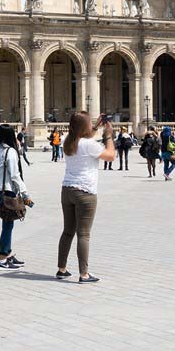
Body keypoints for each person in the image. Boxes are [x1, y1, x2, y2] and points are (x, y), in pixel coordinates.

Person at [58, 112, 115, 283]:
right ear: (84, 127)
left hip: (67, 190)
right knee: (83, 234)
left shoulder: (67, 140)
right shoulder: (90, 145)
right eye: (89, 123)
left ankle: (61, 269)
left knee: (68, 231)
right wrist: (109, 136)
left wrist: (96, 126)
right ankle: (84, 274)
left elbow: (82, 137)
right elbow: (111, 156)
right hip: (85, 191)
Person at [0, 125, 30, 270]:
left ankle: (8, 253)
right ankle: (2, 259)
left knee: (9, 223)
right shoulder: (10, 152)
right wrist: (25, 194)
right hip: (8, 190)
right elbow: (14, 175)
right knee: (7, 225)